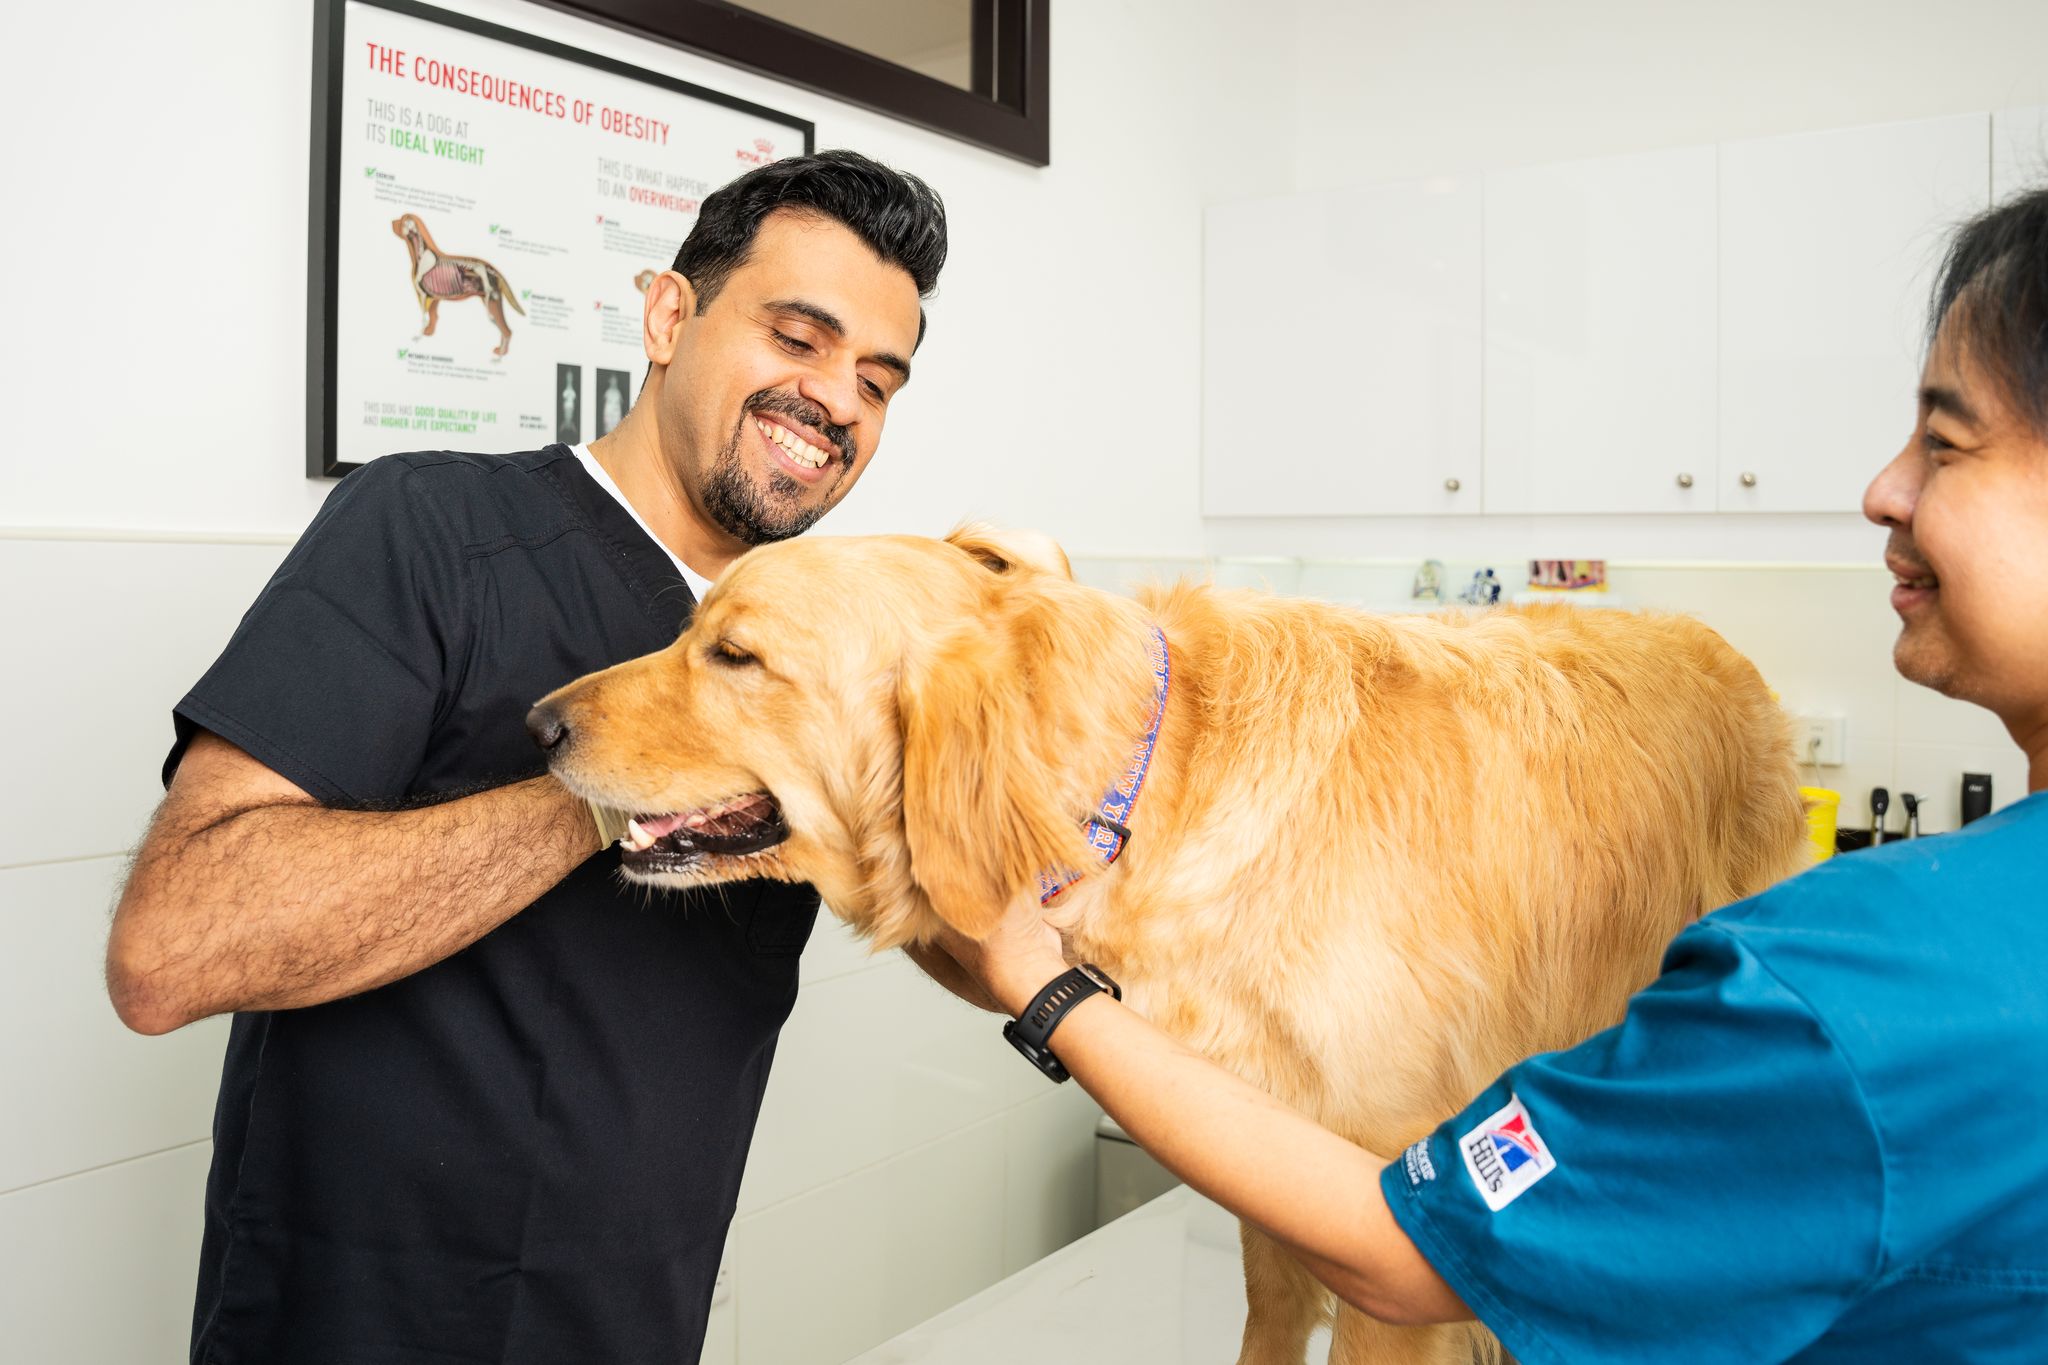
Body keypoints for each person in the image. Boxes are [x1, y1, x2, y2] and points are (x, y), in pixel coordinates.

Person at [939, 187, 2048, 1362]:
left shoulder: (1842, 997)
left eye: (1944, 441)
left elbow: (1406, 1248)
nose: (1881, 488)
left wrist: (1042, 987)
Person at [106, 149, 945, 1364]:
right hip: (355, 1324)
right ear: (669, 316)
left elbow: (970, 916)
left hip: (632, 1320)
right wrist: (626, 784)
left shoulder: (821, 643)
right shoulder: (428, 529)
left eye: (878, 379)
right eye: (796, 339)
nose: (837, 401)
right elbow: (173, 948)